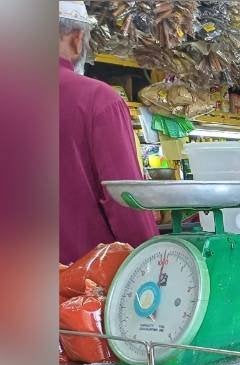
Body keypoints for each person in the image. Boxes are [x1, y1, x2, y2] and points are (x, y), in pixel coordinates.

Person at [58, 1, 158, 264]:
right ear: (77, 38)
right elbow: (126, 201)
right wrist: (152, 262)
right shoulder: (97, 99)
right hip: (80, 287)